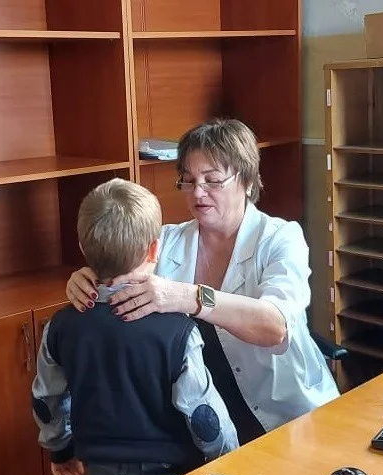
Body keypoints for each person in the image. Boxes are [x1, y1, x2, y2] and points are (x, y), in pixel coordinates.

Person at [66, 118, 340, 445]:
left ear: (246, 180)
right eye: (188, 180)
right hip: (202, 417)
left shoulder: (280, 238)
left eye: (212, 180)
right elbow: (117, 276)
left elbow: (274, 325)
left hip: (284, 414)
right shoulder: (166, 241)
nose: (198, 192)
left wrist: (191, 297)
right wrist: (86, 280)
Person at [32, 178, 239, 475]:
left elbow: (46, 398)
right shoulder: (179, 330)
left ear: (82, 248)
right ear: (155, 250)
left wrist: (60, 449)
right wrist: (227, 459)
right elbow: (204, 415)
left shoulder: (62, 326)